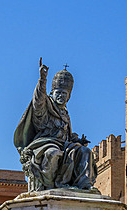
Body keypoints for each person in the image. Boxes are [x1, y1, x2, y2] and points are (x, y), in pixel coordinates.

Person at [14, 58, 97, 192]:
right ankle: (51, 187)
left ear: (69, 96)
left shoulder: (65, 113)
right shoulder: (46, 106)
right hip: (45, 143)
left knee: (85, 151)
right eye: (58, 93)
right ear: (52, 93)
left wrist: (77, 140)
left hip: (65, 145)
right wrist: (42, 80)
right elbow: (38, 101)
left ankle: (84, 185)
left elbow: (67, 134)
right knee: (53, 153)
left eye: (64, 94)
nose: (61, 96)